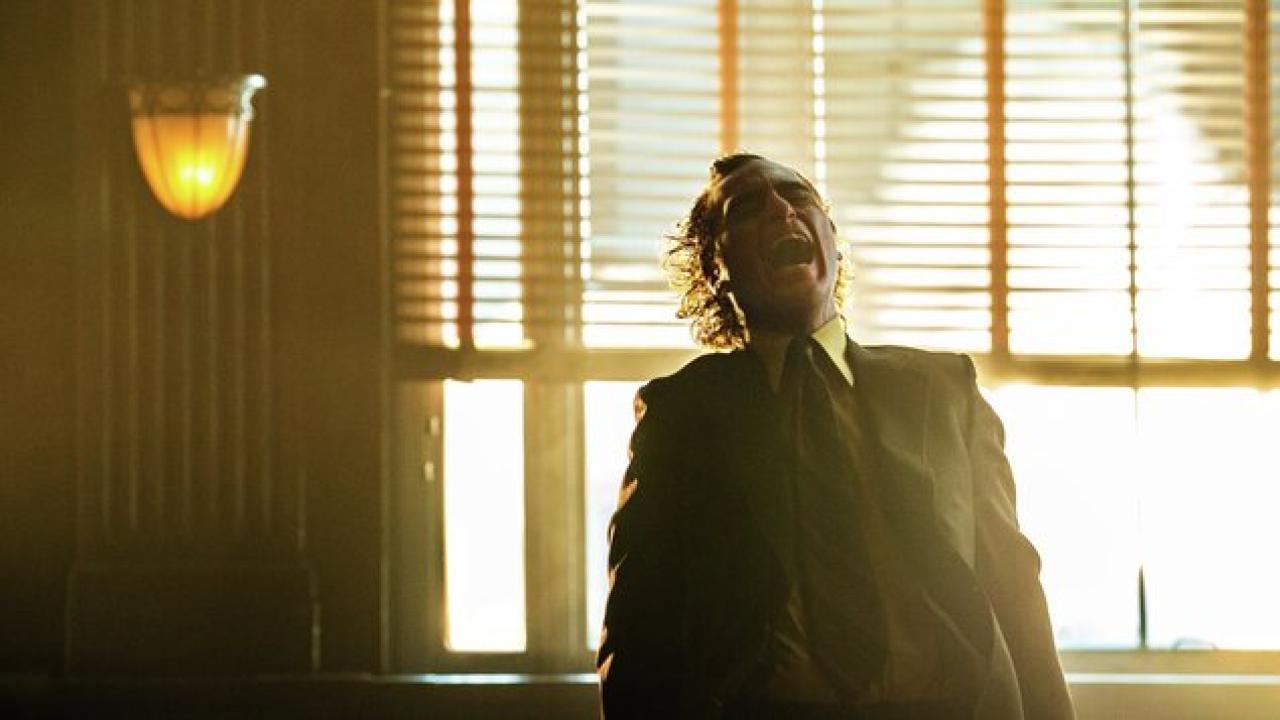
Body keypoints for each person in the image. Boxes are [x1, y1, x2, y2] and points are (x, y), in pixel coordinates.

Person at [595, 153, 1074, 720]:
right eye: (746, 208)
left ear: (832, 241)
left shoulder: (946, 390)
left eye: (797, 196)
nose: (780, 209)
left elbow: (1013, 584)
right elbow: (639, 623)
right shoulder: (682, 413)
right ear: (716, 268)